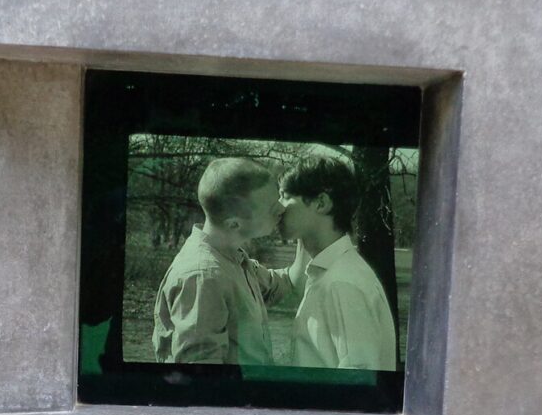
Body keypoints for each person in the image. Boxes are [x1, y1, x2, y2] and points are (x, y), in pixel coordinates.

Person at [153, 158, 306, 365]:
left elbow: (286, 285)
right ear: (234, 224)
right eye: (272, 208)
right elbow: (201, 375)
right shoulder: (203, 278)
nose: (282, 209)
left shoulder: (231, 257)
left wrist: (305, 231)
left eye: (278, 198)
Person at [278, 156, 397, 371]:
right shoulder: (330, 273)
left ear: (321, 203)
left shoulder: (342, 282)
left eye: (285, 196)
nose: (278, 207)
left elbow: (357, 379)